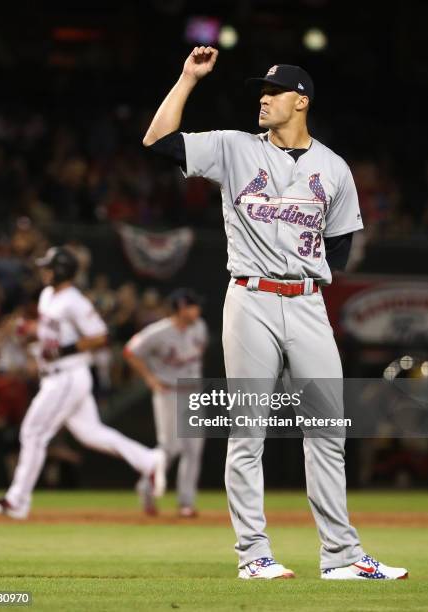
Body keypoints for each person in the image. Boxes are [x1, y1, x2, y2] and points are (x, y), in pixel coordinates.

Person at [141, 47, 408, 580]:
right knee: (248, 433)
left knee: (328, 430)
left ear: (300, 100)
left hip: (307, 303)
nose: (262, 99)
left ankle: (342, 557)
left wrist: (306, 279)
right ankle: (254, 555)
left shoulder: (333, 167)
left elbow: (340, 243)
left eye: (272, 91)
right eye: (259, 92)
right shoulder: (234, 148)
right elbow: (159, 141)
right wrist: (187, 78)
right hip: (250, 299)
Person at [0, 247, 165, 519]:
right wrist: (30, 330)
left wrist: (64, 350)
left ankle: (17, 501)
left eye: (49, 266)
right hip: (57, 375)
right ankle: (149, 460)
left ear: (62, 269)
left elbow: (101, 336)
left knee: (33, 432)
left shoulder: (74, 301)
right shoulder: (47, 295)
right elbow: (51, 333)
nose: (44, 271)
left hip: (66, 376)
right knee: (91, 434)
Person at [124, 288, 208, 517]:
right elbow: (130, 351)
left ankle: (186, 503)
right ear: (181, 307)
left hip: (192, 392)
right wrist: (149, 378)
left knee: (193, 448)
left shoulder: (200, 327)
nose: (197, 309)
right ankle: (146, 487)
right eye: (193, 305)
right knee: (170, 447)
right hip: (168, 391)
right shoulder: (158, 332)